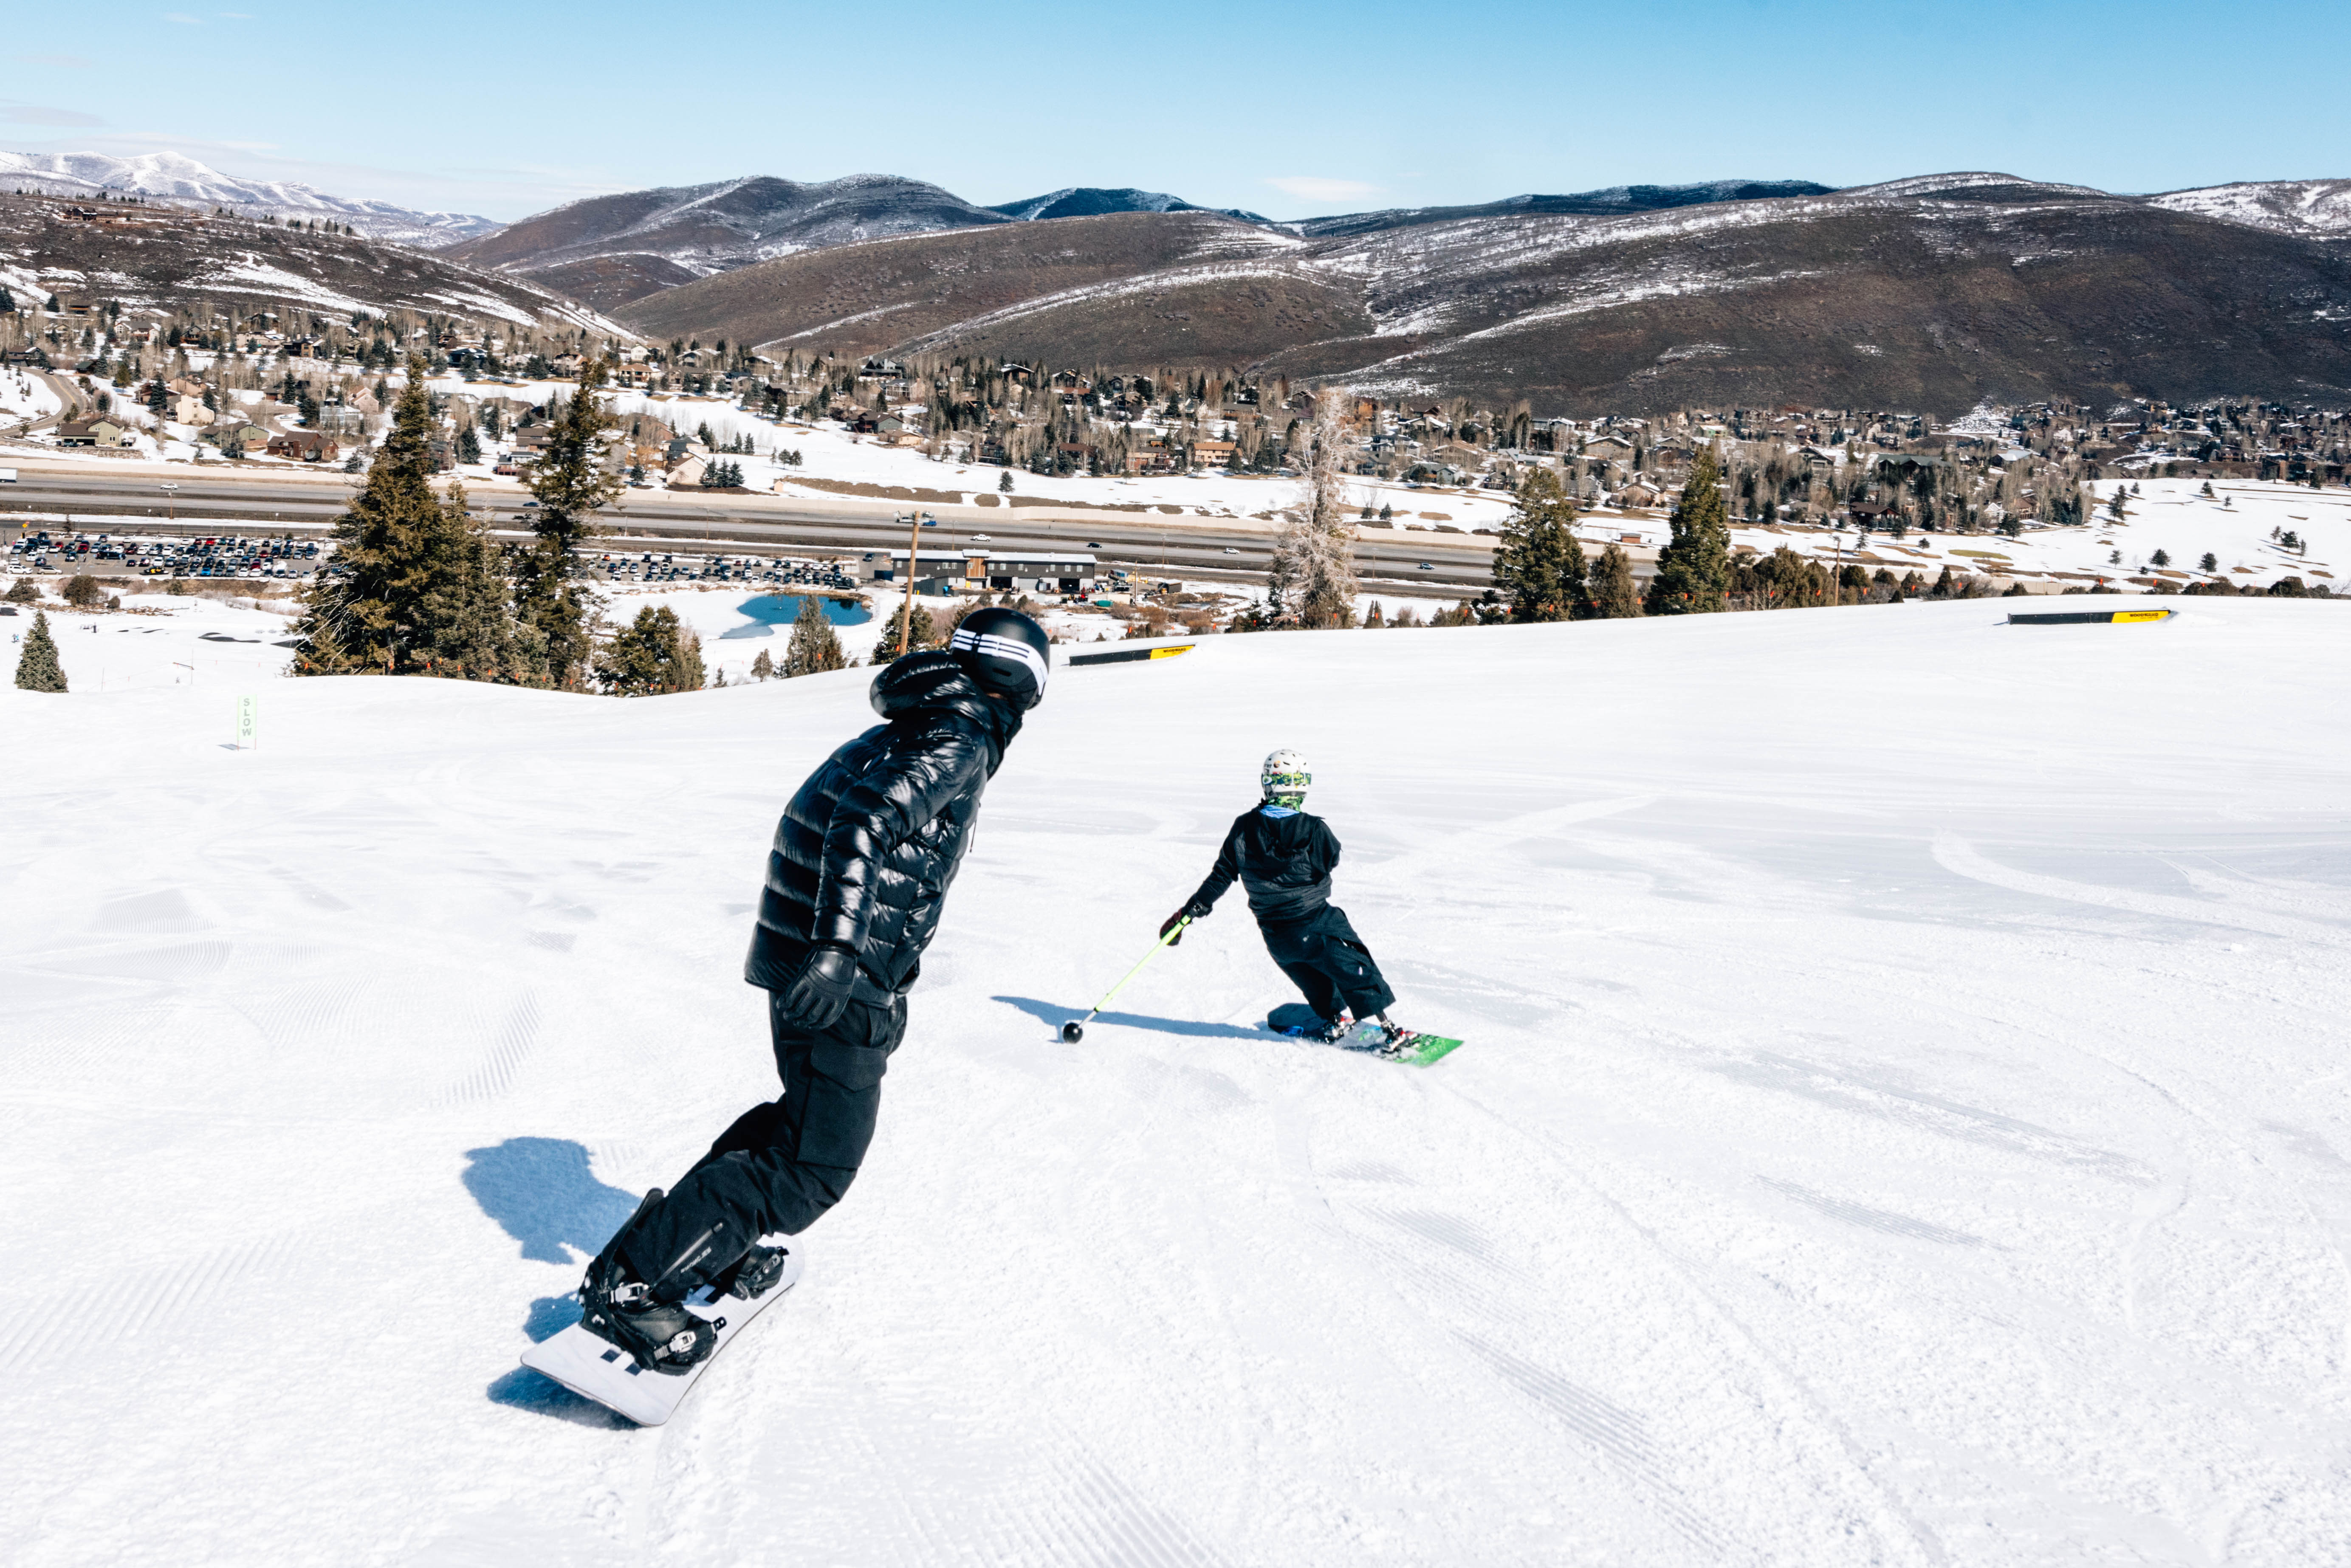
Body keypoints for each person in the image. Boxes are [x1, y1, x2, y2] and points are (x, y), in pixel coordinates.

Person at [578, 608, 1053, 1373]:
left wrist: (871, 970)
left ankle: (704, 1244)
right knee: (816, 1166)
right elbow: (859, 825)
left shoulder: (920, 722)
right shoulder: (957, 737)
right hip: (834, 972)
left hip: (824, 965)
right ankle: (635, 1287)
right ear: (1022, 677)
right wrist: (839, 953)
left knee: (794, 1124)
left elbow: (855, 834)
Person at [1161, 748, 1401, 1045]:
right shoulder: (1314, 829)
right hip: (1317, 924)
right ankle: (1390, 1030)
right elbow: (1330, 860)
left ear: (1267, 783)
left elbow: (1221, 875)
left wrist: (1187, 914)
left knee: (1315, 983)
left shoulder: (1243, 828)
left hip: (1277, 938)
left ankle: (1333, 1018)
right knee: (1356, 970)